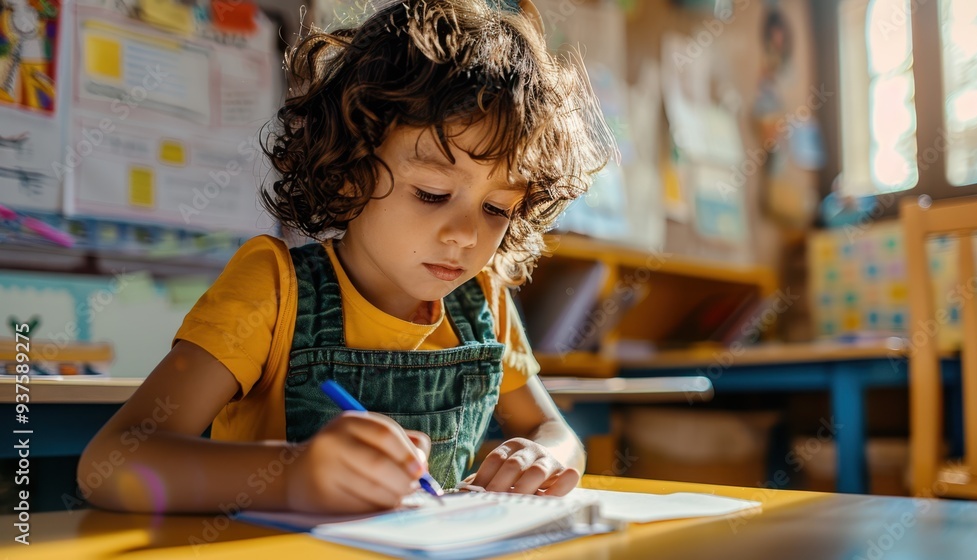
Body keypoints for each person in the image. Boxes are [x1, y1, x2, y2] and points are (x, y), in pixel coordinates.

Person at [79, 0, 613, 515]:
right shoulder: (274, 289)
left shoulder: (484, 302)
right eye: (431, 193)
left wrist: (542, 457)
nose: (465, 236)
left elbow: (556, 433)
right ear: (352, 173)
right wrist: (293, 474)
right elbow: (110, 463)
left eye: (497, 207)